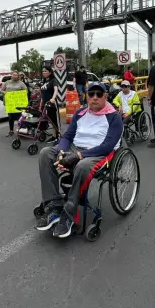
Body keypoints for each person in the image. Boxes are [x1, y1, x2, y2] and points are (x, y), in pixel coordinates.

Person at [36, 82, 123, 238]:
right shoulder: (80, 113)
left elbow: (108, 145)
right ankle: (53, 206)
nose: (95, 97)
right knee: (45, 153)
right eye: (91, 94)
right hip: (77, 148)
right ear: (86, 96)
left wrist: (78, 156)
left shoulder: (114, 117)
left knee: (82, 166)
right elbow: (68, 136)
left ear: (105, 96)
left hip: (99, 153)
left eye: (99, 94)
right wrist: (62, 151)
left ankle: (68, 215)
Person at [2, 70, 28, 137]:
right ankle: (11, 131)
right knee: (10, 117)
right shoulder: (7, 82)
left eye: (16, 75)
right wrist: (5, 93)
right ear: (11, 75)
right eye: (13, 75)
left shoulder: (21, 83)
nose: (14, 76)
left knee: (19, 117)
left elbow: (26, 91)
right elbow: (2, 90)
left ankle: (21, 131)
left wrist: (20, 94)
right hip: (10, 103)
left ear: (18, 76)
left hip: (18, 103)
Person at [40, 65, 60, 142]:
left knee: (54, 121)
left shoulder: (53, 80)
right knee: (48, 120)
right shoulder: (44, 81)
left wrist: (53, 98)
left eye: (45, 71)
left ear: (50, 72)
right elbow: (42, 93)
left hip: (51, 104)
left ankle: (56, 136)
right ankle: (53, 135)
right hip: (44, 104)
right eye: (43, 71)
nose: (44, 72)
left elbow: (56, 90)